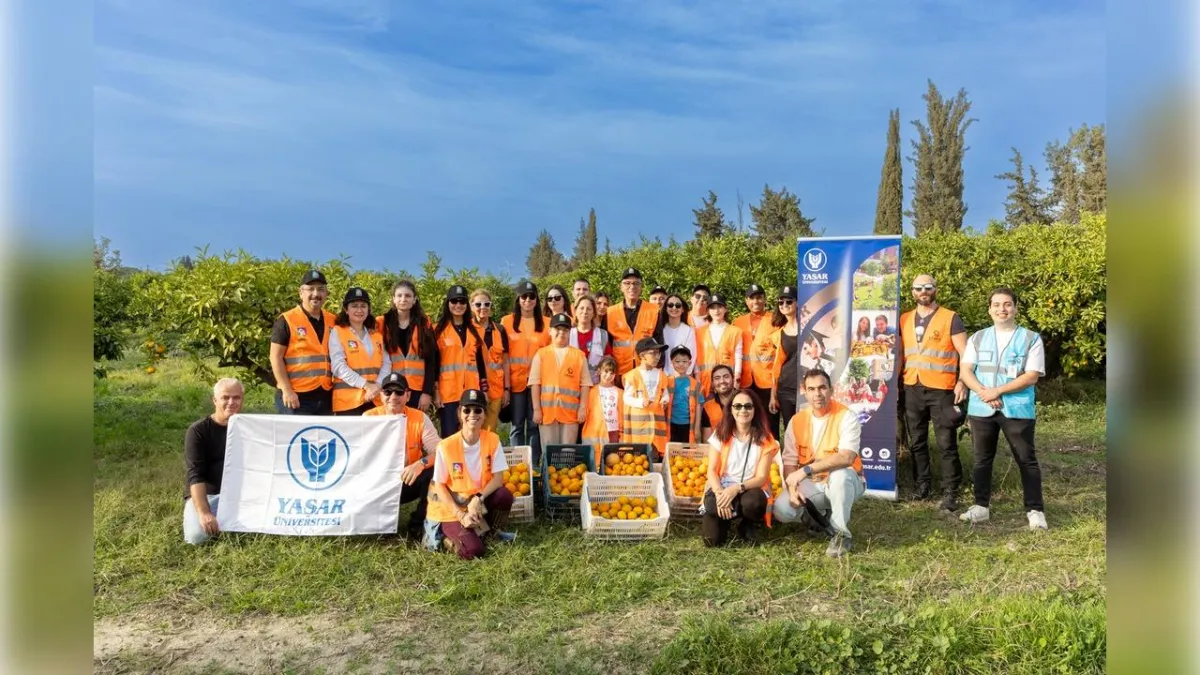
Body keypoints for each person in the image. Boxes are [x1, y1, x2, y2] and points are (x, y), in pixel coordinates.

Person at [957, 287, 1048, 530]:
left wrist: (997, 391)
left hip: (1016, 409)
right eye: (996, 305)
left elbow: (1031, 376)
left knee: (1026, 459)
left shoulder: (1031, 338)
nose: (1002, 309)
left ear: (1016, 308)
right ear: (989, 309)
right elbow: (966, 371)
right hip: (981, 407)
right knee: (981, 459)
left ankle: (1035, 510)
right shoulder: (978, 337)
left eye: (1007, 304)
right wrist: (983, 392)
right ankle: (981, 507)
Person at [773, 368, 866, 558]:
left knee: (840, 475)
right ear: (804, 392)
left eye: (822, 388)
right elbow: (789, 462)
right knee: (782, 510)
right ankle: (816, 516)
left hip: (847, 481)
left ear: (831, 390)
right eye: (812, 389)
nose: (817, 394)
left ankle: (841, 534)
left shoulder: (846, 416)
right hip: (813, 483)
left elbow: (847, 457)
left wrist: (806, 470)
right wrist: (792, 490)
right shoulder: (797, 421)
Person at [899, 274, 968, 508]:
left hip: (943, 389)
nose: (923, 291)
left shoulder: (951, 318)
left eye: (928, 287)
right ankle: (922, 485)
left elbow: (966, 354)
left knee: (945, 442)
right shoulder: (904, 319)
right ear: (912, 292)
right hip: (912, 387)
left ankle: (950, 490)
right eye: (918, 288)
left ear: (935, 290)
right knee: (917, 441)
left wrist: (963, 382)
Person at [424, 389, 515, 560]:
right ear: (459, 413)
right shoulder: (446, 446)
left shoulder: (493, 440)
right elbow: (440, 487)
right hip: (449, 509)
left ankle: (490, 533)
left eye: (478, 410)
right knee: (474, 552)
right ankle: (444, 537)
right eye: (467, 410)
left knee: (504, 496)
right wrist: (460, 515)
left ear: (484, 414)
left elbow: (498, 479)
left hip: (474, 501)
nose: (472, 414)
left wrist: (478, 499)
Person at [364, 373, 441, 539]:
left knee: (437, 470)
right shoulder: (368, 418)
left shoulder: (420, 418)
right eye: (388, 392)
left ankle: (418, 524)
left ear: (408, 395)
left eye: (399, 392)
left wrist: (420, 463)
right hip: (377, 483)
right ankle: (377, 521)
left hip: (407, 480)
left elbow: (440, 451)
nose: (393, 397)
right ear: (381, 395)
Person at [700, 389, 778, 547]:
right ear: (731, 409)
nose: (743, 410)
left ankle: (747, 523)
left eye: (748, 406)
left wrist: (736, 489)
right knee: (711, 541)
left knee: (754, 502)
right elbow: (712, 471)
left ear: (755, 410)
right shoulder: (720, 433)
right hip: (722, 486)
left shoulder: (766, 439)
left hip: (749, 488)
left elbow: (761, 477)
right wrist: (720, 494)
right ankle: (726, 518)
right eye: (738, 406)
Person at [183, 378, 244, 545]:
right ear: (215, 400)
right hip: (210, 495)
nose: (231, 402)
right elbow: (195, 475)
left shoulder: (249, 428)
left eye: (236, 397)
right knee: (197, 536)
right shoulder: (198, 431)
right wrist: (204, 513)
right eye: (225, 397)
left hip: (241, 495)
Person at [268, 269, 336, 415]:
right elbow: (275, 357)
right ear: (301, 293)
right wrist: (287, 390)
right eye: (310, 289)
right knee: (296, 437)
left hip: (324, 394)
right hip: (296, 396)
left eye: (321, 289)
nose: (316, 294)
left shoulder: (333, 320)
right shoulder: (286, 320)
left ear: (326, 294)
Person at [502, 280, 551, 463]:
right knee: (516, 426)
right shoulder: (507, 322)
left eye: (532, 297)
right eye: (524, 297)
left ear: (537, 300)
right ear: (518, 299)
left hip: (537, 383)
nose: (528, 300)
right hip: (515, 383)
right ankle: (516, 463)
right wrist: (505, 386)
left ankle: (533, 465)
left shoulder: (546, 323)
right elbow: (504, 356)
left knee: (533, 425)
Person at [433, 285, 487, 435]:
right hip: (448, 393)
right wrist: (436, 391)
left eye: (462, 302)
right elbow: (434, 365)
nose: (458, 305)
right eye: (454, 301)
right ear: (448, 303)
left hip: (471, 393)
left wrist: (484, 389)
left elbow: (480, 364)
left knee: (472, 434)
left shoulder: (474, 330)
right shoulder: (438, 330)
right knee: (449, 435)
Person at [530, 313, 591, 446]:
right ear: (550, 331)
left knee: (567, 451)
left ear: (570, 332)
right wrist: (537, 410)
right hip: (547, 414)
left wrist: (582, 408)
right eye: (558, 329)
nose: (561, 333)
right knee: (549, 450)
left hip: (570, 414)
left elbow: (585, 385)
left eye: (565, 330)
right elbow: (535, 384)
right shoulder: (541, 354)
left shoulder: (579, 356)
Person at [379, 280, 438, 413]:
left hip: (417, 389)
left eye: (408, 296)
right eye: (399, 295)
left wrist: (427, 392)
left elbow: (431, 360)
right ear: (393, 299)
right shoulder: (382, 322)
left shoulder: (424, 323)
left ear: (414, 299)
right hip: (392, 389)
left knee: (415, 428)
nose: (403, 299)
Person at [330, 286, 389, 415]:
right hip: (348, 403)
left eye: (363, 306)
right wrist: (366, 386)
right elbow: (338, 366)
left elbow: (386, 364)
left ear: (368, 309)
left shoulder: (377, 335)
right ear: (346, 309)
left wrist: (377, 387)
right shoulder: (337, 332)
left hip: (374, 400)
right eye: (354, 306)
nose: (359, 310)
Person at [735, 283, 779, 433]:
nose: (756, 302)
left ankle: (773, 454)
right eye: (752, 298)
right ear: (746, 301)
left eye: (759, 297)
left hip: (767, 382)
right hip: (745, 381)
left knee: (770, 423)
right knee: (748, 422)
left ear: (765, 299)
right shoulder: (738, 322)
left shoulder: (775, 320)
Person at [607, 268, 663, 377]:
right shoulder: (610, 312)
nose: (632, 287)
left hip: (645, 372)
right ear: (621, 287)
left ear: (641, 287)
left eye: (636, 283)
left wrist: (657, 369)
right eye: (627, 283)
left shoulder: (653, 311)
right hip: (618, 373)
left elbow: (659, 342)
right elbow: (606, 345)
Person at [622, 337, 672, 459]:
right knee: (638, 457)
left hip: (656, 427)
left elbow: (664, 392)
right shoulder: (633, 375)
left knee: (654, 457)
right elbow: (626, 398)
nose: (658, 356)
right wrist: (640, 402)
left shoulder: (661, 374)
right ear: (643, 356)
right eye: (653, 353)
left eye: (659, 353)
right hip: (639, 426)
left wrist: (665, 399)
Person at [470, 289, 511, 432]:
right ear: (471, 306)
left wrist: (507, 389)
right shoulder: (468, 329)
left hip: (496, 389)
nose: (483, 307)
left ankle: (488, 455)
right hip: (473, 389)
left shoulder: (500, 330)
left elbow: (505, 362)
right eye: (478, 304)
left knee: (490, 431)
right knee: (472, 430)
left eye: (486, 304)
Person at [695, 294, 744, 397]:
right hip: (706, 383)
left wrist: (736, 383)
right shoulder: (699, 332)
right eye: (713, 308)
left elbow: (738, 357)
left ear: (725, 309)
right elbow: (696, 358)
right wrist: (698, 382)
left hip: (727, 383)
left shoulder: (735, 332)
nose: (716, 311)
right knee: (708, 411)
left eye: (719, 307)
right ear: (708, 311)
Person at [768, 286, 801, 437]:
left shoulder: (808, 327)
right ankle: (790, 461)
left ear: (798, 303)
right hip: (786, 388)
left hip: (808, 387)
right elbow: (776, 367)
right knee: (790, 429)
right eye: (781, 302)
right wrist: (773, 395)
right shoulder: (778, 334)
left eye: (789, 301)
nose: (784, 305)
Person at [581, 356, 623, 465]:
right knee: (594, 461)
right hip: (594, 431)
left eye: (612, 373)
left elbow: (622, 414)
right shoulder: (591, 391)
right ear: (599, 371)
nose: (608, 375)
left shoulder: (620, 392)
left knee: (612, 461)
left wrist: (622, 434)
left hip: (613, 431)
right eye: (606, 371)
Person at [569, 295, 612, 384]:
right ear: (575, 311)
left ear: (593, 313)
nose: (585, 312)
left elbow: (608, 361)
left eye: (589, 309)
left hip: (594, 385)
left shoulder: (602, 335)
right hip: (571, 384)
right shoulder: (567, 334)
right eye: (581, 308)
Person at [667, 346, 702, 443]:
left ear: (690, 363)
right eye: (677, 362)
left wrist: (697, 427)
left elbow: (699, 406)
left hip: (688, 425)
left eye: (684, 361)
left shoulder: (696, 384)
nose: (681, 364)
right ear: (672, 363)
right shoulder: (666, 382)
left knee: (686, 451)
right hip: (671, 424)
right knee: (672, 450)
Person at [660, 293, 697, 376]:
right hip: (663, 376)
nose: (674, 308)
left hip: (682, 376)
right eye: (670, 305)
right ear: (666, 308)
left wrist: (685, 374)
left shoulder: (689, 330)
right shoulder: (660, 330)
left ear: (683, 309)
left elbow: (692, 355)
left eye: (678, 305)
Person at [701, 364, 736, 440]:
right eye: (717, 378)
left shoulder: (745, 400)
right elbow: (708, 440)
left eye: (726, 376)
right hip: (719, 450)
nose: (722, 381)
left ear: (733, 378)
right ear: (713, 383)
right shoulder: (708, 407)